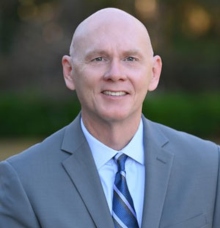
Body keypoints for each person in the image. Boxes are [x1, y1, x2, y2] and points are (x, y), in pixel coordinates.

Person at [0, 7, 219, 228]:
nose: (115, 74)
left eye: (130, 58)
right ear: (69, 72)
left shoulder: (210, 166)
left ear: (154, 72)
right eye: (98, 59)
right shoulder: (22, 180)